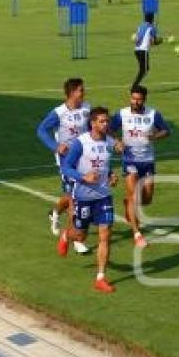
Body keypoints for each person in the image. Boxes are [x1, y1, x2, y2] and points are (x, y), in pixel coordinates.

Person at [59, 107, 123, 292]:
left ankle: (100, 278)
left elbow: (104, 164)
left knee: (105, 235)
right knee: (80, 235)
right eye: (102, 121)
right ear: (93, 123)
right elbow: (66, 167)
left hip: (103, 196)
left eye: (107, 121)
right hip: (83, 196)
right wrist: (83, 177)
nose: (106, 124)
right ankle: (66, 235)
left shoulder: (109, 142)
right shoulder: (80, 143)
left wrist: (111, 176)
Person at [109, 85, 170, 248]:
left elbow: (166, 130)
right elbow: (108, 129)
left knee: (147, 198)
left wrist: (155, 136)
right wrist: (117, 141)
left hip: (148, 160)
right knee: (134, 196)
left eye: (139, 99)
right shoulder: (122, 114)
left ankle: (128, 205)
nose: (135, 102)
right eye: (133, 98)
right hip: (129, 160)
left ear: (144, 100)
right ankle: (137, 234)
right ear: (130, 97)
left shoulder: (153, 114)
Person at [36, 78, 91, 255]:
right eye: (81, 90)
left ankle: (54, 213)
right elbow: (41, 130)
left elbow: (91, 129)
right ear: (72, 92)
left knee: (70, 196)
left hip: (84, 158)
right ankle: (77, 240)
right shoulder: (58, 113)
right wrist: (55, 146)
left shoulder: (87, 108)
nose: (84, 92)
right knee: (75, 199)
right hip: (66, 160)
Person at [132, 12, 161, 88]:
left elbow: (137, 39)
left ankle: (135, 85)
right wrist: (160, 41)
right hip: (143, 51)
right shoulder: (152, 27)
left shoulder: (140, 26)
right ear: (152, 19)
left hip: (137, 50)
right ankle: (134, 86)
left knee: (144, 69)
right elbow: (153, 42)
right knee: (144, 70)